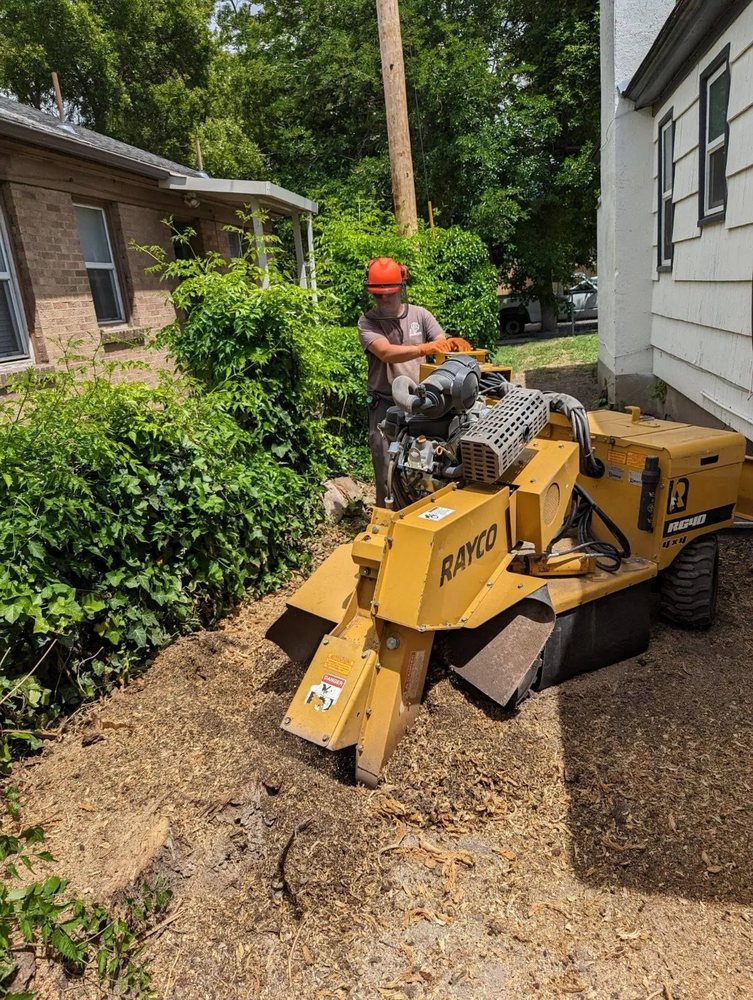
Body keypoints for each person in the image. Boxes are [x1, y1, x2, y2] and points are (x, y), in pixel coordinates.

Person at [357, 257, 471, 505]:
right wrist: (425, 348)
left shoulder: (421, 315)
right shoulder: (367, 322)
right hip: (386, 405)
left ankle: (422, 512)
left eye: (389, 294)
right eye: (378, 295)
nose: (384, 299)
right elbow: (385, 352)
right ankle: (387, 517)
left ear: (401, 288)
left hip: (422, 403)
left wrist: (450, 344)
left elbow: (439, 340)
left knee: (426, 462)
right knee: (387, 467)